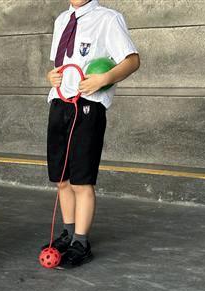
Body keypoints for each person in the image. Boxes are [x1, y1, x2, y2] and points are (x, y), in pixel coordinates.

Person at [43, 0, 139, 268]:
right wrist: (52, 77)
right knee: (62, 179)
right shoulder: (62, 20)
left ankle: (81, 241)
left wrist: (104, 79)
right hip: (59, 103)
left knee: (81, 181)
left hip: (87, 106)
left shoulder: (108, 18)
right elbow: (61, 63)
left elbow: (132, 60)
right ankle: (68, 232)